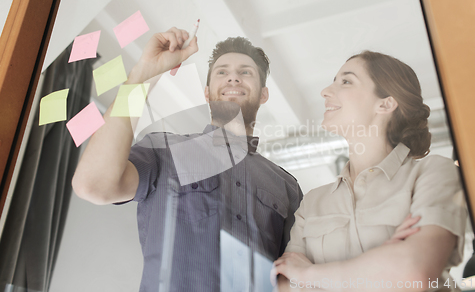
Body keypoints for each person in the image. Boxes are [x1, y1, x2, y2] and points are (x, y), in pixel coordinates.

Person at [72, 27, 303, 292]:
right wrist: (142, 73)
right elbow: (92, 184)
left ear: (263, 94)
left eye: (246, 72)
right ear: (207, 93)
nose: (233, 79)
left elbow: (294, 277)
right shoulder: (164, 151)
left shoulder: (287, 187)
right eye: (222, 72)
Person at [273, 51, 467, 291]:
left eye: (346, 81)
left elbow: (415, 272)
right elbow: (284, 283)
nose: (325, 91)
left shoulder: (434, 172)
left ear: (385, 103)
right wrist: (385, 261)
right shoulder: (313, 202)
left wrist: (309, 273)